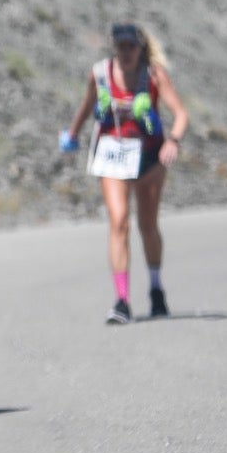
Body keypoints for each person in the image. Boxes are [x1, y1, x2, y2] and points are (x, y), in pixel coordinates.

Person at [59, 22, 188, 325]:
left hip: (149, 160)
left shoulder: (154, 75)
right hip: (113, 156)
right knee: (119, 223)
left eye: (132, 47)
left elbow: (180, 114)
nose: (127, 52)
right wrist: (73, 134)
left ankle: (156, 289)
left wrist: (173, 140)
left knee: (147, 225)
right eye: (122, 46)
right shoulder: (101, 74)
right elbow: (87, 104)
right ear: (114, 46)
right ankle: (122, 301)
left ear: (141, 48)